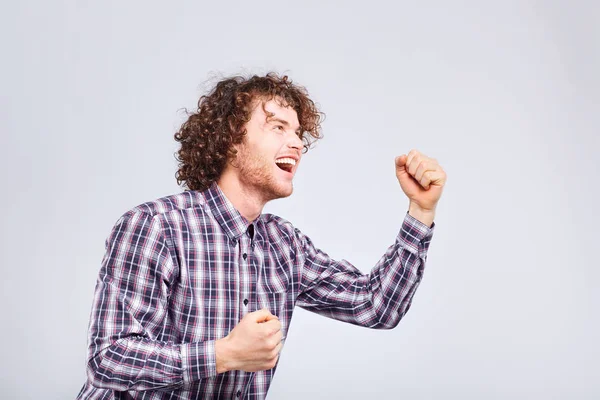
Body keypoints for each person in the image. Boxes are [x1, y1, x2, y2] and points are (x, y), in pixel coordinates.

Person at [76, 72, 446, 399]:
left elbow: (374, 305)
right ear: (231, 141)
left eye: (299, 133)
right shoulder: (156, 226)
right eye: (278, 127)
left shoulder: (284, 247)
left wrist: (421, 211)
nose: (298, 144)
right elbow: (108, 358)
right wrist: (223, 355)